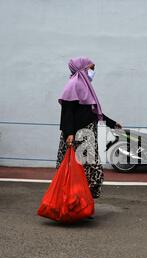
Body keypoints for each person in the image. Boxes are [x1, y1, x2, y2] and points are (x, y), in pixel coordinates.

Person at [57, 57, 121, 199]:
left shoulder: (85, 87)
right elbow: (67, 112)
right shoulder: (73, 85)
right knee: (82, 171)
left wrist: (112, 123)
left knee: (90, 172)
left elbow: (92, 112)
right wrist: (69, 133)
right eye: (91, 68)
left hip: (88, 136)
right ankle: (74, 204)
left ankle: (83, 204)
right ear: (82, 68)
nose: (93, 71)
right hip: (78, 136)